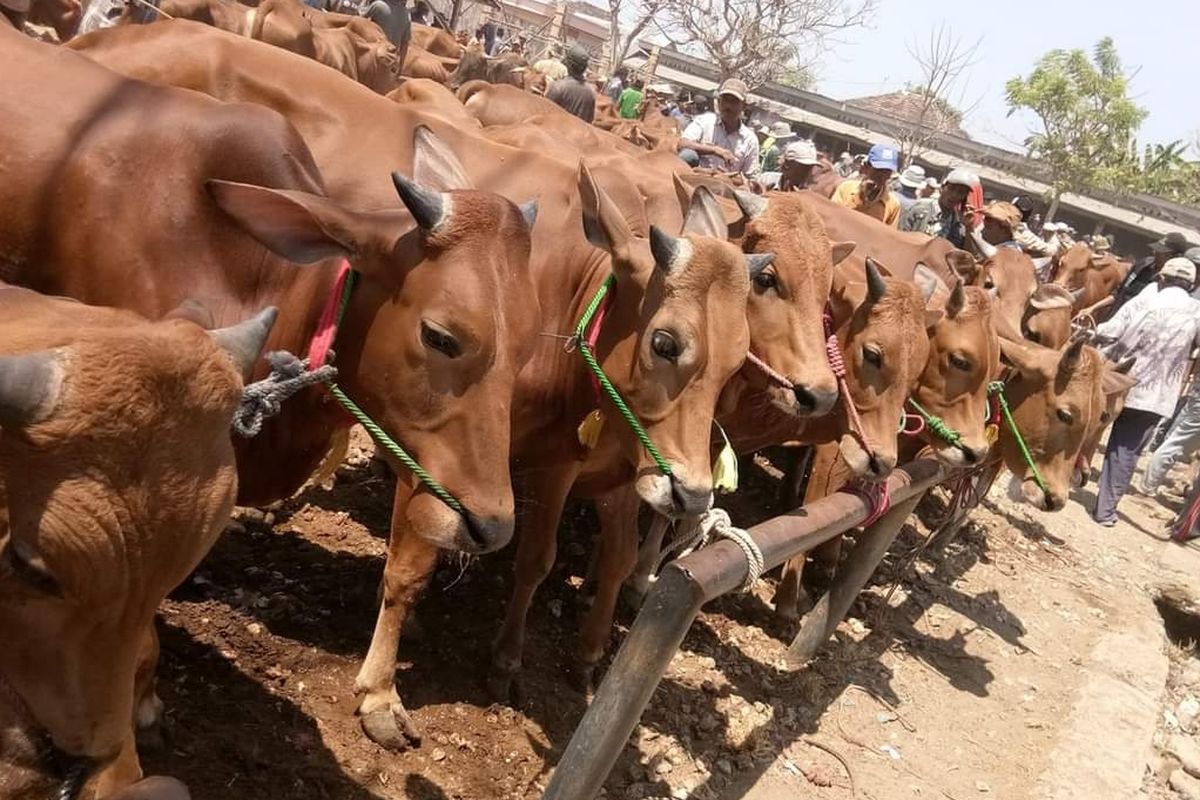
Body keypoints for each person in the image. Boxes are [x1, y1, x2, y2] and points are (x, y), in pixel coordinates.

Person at [1091, 257, 1200, 527]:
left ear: (1161, 278)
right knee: (1126, 451)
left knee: (1087, 430)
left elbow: (1110, 332)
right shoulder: (1197, 311)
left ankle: (1062, 477)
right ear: (1191, 284)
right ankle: (1105, 511)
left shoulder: (1145, 300)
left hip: (1117, 382)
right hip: (1158, 395)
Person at [678, 78, 760, 178]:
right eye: (725, 100)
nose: (728, 106)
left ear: (744, 106)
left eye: (734, 101)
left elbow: (750, 178)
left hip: (727, 188)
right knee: (687, 155)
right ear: (718, 101)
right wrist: (715, 150)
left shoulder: (750, 140)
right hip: (696, 178)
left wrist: (729, 177)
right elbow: (683, 143)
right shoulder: (704, 121)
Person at [899, 168, 979, 247]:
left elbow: (965, 252)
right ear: (942, 188)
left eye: (961, 192)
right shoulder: (919, 208)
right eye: (951, 189)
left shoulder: (957, 224)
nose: (954, 195)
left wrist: (969, 227)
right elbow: (900, 239)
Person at [830, 142, 901, 226]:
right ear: (867, 167)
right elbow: (831, 218)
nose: (882, 175)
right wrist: (862, 194)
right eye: (878, 169)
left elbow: (889, 236)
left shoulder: (893, 204)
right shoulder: (846, 189)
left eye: (887, 172)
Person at [1115, 231, 1190, 309]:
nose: (1154, 252)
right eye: (1156, 249)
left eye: (1161, 252)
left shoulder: (1173, 282)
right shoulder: (1143, 264)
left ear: (1175, 256)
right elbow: (1119, 292)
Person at [545, 44, 595, 123]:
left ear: (569, 64)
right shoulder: (591, 93)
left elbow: (544, 115)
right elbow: (589, 121)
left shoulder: (557, 87)